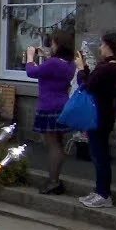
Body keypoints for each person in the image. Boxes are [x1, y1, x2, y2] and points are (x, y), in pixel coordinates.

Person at [25, 30, 77, 195]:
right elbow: (52, 71)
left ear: (58, 45)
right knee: (59, 143)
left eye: (53, 43)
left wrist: (30, 57)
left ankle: (53, 180)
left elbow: (32, 72)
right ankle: (55, 179)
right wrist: (47, 57)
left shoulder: (54, 63)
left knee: (53, 145)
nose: (51, 46)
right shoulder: (69, 64)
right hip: (62, 105)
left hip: (49, 106)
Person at [77, 32, 116, 209]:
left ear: (110, 47)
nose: (100, 48)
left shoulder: (110, 67)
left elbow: (88, 85)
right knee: (97, 153)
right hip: (103, 113)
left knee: (100, 154)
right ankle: (99, 190)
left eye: (103, 45)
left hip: (100, 114)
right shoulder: (107, 66)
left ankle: (104, 193)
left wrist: (82, 69)